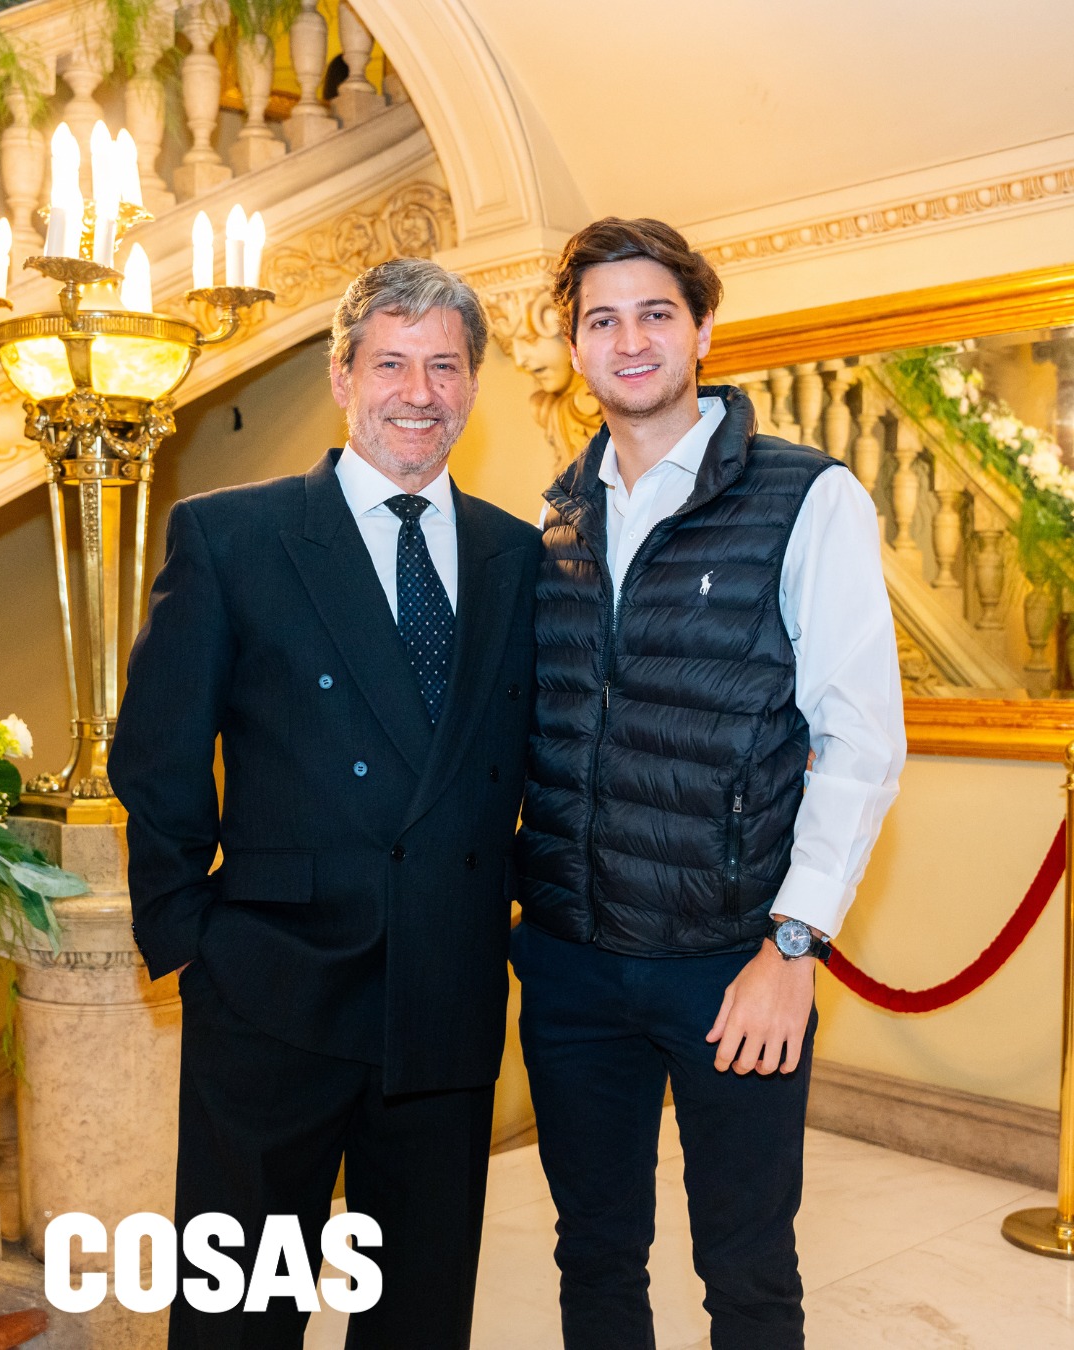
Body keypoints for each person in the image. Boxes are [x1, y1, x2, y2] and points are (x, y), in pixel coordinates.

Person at [108, 257, 541, 1350]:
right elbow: (156, 756)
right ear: (344, 376)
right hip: (270, 993)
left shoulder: (514, 555)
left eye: (445, 366)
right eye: (391, 362)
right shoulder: (233, 536)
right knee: (240, 1317)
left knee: (417, 1317)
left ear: (474, 387)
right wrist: (192, 942)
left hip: (444, 1000)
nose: (418, 391)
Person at [512, 217, 905, 1350]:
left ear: (702, 331)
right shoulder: (556, 516)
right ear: (573, 346)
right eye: (601, 319)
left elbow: (862, 739)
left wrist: (795, 949)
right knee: (592, 1252)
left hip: (732, 966)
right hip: (573, 963)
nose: (629, 340)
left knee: (744, 1271)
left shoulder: (806, 498)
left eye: (655, 313)